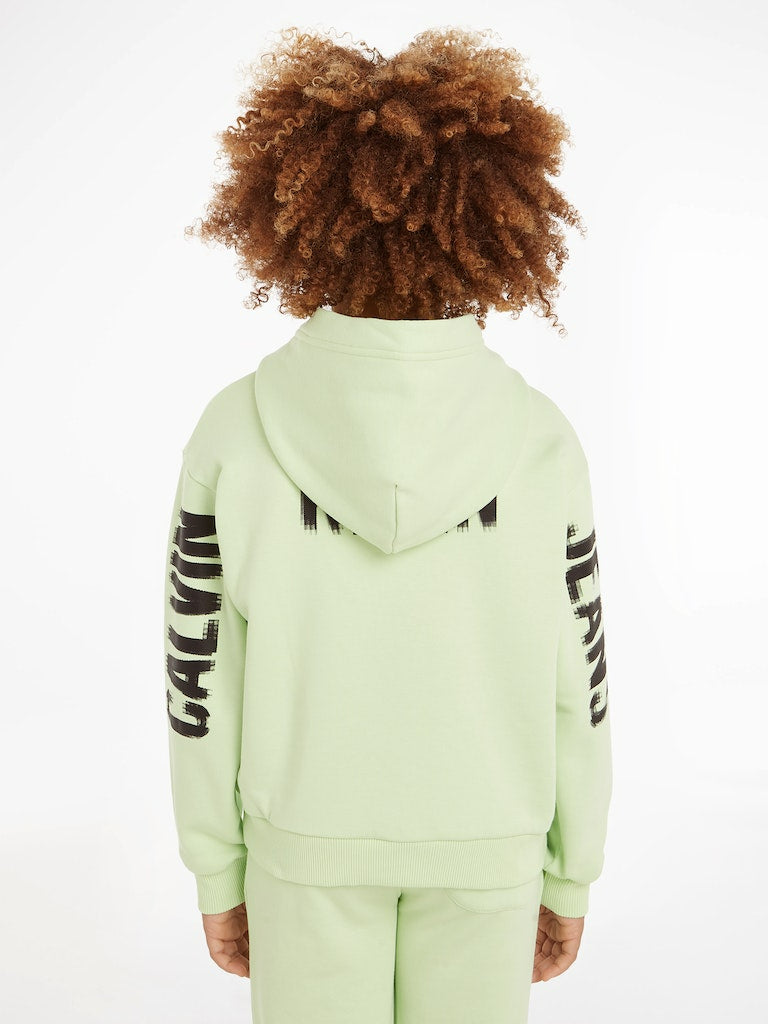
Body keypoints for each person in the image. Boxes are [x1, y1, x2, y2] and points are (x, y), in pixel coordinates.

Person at [164, 24, 612, 1024]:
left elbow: (198, 674)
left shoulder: (235, 431)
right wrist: (571, 868)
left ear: (296, 217)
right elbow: (580, 682)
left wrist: (217, 866)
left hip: (302, 855)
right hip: (490, 850)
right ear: (496, 221)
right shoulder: (542, 441)